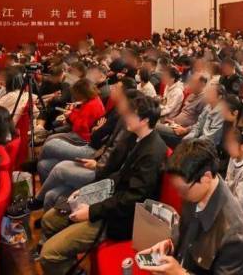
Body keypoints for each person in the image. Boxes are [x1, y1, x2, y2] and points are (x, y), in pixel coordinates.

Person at [39, 95, 168, 274]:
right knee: (49, 219)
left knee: (49, 254)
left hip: (120, 218)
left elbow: (132, 199)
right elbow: (116, 175)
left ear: (145, 120)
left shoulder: (152, 152)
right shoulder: (135, 137)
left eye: (131, 114)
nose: (126, 117)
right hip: (108, 200)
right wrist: (86, 191)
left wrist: (91, 211)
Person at [137, 138, 243, 275]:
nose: (180, 195)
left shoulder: (235, 236)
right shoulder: (195, 192)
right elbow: (185, 231)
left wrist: (180, 273)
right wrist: (170, 244)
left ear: (206, 178)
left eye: (183, 190)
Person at [156, 72, 208, 147]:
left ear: (202, 84)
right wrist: (173, 120)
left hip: (182, 132)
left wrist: (186, 130)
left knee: (153, 127)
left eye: (193, 82)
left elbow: (201, 124)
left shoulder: (204, 100)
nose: (190, 84)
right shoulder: (192, 95)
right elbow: (183, 112)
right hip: (174, 124)